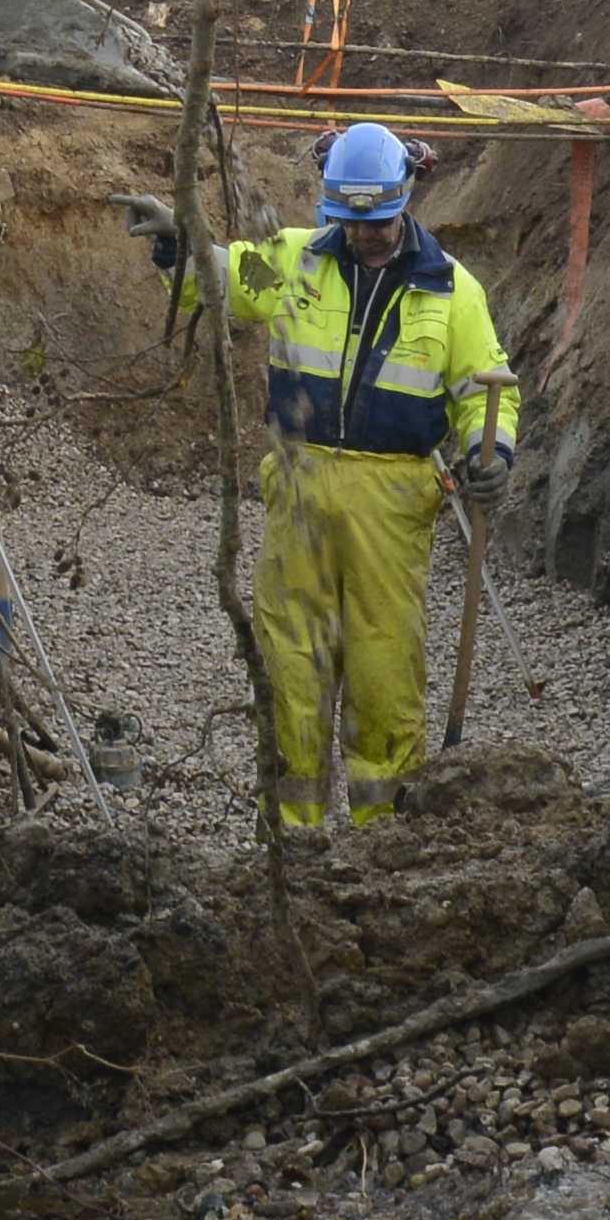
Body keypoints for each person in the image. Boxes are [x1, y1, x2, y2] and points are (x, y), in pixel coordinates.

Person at [132, 122, 524, 833]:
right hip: (301, 491)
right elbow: (222, 280)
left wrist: (490, 452)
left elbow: (484, 390)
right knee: (291, 674)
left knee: (384, 676)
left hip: (393, 501)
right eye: (352, 221)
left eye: (376, 222)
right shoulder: (296, 264)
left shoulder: (451, 292)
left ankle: (383, 842)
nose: (366, 235)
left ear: (405, 201)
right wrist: (178, 245)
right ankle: (291, 843)